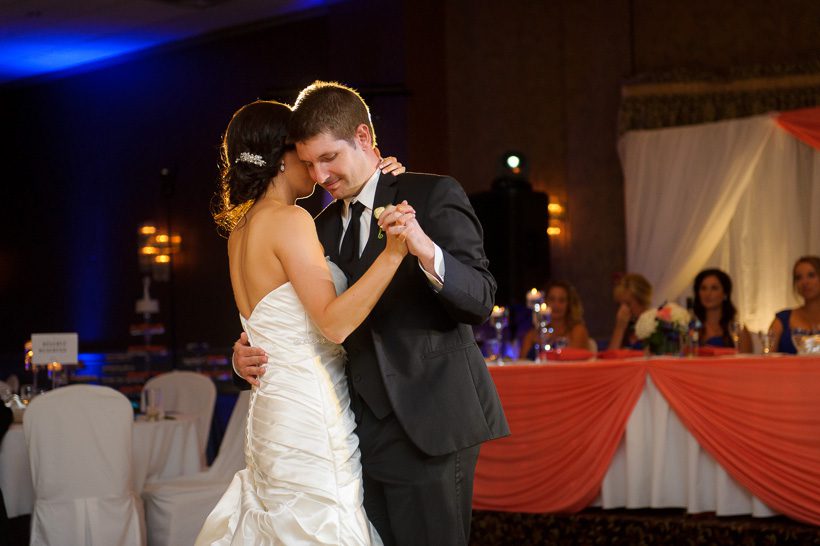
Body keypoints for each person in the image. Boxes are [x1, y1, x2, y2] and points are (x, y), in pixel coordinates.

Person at [233, 81, 509, 545]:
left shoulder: (432, 193)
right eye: (309, 162)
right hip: (351, 432)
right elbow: (289, 309)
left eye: (328, 158)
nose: (319, 175)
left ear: (364, 138)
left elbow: (481, 298)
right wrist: (244, 350)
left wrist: (426, 252)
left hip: (430, 422)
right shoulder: (313, 226)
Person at [196, 100, 415, 545]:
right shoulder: (290, 220)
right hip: (309, 412)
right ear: (281, 157)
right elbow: (333, 325)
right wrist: (393, 254)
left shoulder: (241, 230)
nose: (316, 171)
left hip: (272, 411)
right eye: (304, 154)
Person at [521, 280, 591, 359]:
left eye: (561, 300)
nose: (556, 305)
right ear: (545, 302)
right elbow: (522, 363)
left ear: (569, 304)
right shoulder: (533, 335)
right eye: (552, 299)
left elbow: (576, 361)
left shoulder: (577, 331)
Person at [692, 268, 752, 352]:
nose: (708, 294)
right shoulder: (691, 327)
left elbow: (746, 362)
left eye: (714, 288)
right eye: (703, 288)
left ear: (725, 294)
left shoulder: (738, 329)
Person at [769, 256, 820, 353]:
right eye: (798, 277)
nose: (805, 282)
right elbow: (768, 359)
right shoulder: (782, 319)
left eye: (811, 275)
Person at [607, 273, 652, 350]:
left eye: (628, 304)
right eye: (620, 305)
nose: (623, 310)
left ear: (642, 302)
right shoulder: (626, 327)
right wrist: (619, 328)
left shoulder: (656, 325)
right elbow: (610, 359)